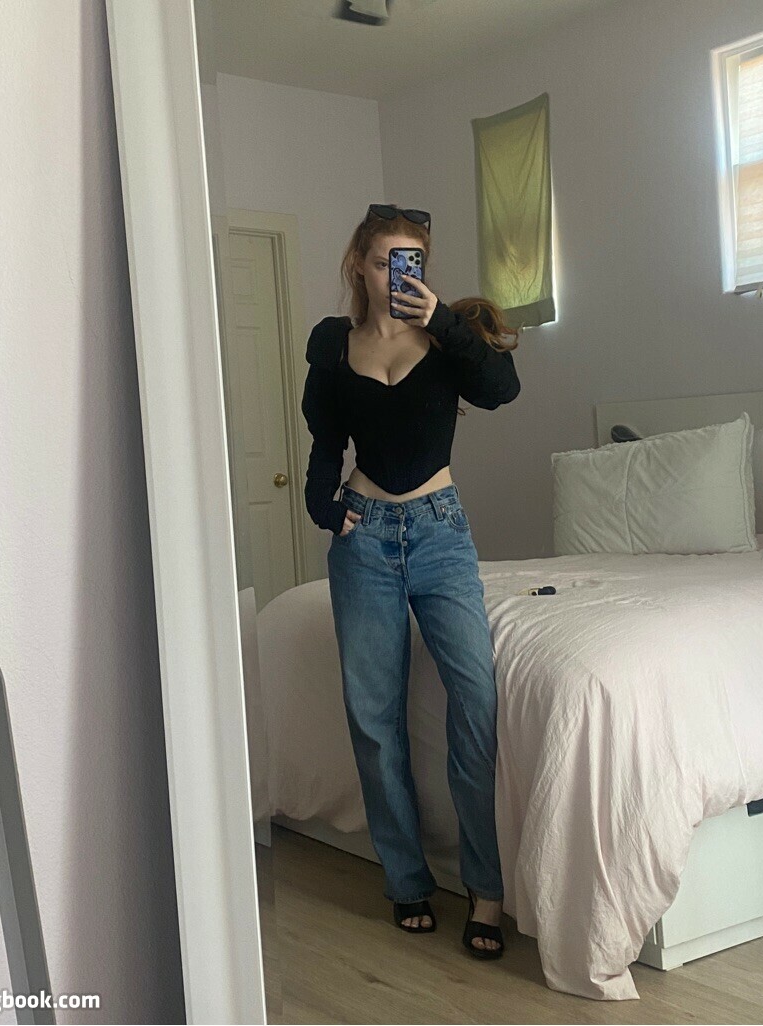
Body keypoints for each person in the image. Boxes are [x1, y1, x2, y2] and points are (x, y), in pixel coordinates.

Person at [300, 203, 521, 959]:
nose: (399, 274)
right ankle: (406, 880)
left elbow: (501, 389)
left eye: (412, 261)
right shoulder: (334, 346)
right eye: (385, 261)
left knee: (477, 699)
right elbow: (325, 444)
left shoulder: (447, 336)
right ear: (359, 265)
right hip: (363, 538)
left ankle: (485, 890)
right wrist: (325, 508)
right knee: (374, 718)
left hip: (440, 534)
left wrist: (444, 322)